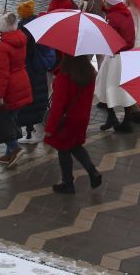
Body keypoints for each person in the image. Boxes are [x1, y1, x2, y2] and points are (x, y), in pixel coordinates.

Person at [44, 53, 103, 194]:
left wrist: (50, 128)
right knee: (75, 145)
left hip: (66, 120)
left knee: (63, 149)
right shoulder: (90, 72)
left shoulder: (64, 76)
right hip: (82, 117)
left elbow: (58, 106)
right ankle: (92, 171)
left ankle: (67, 183)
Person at [0, 11, 30, 167]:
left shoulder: (2, 47)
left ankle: (14, 148)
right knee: (11, 118)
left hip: (9, 88)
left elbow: (1, 74)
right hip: (21, 83)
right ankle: (9, 153)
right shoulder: (20, 40)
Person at [94, 0, 136, 133]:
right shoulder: (127, 13)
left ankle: (114, 117)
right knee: (123, 88)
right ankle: (123, 119)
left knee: (106, 86)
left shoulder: (111, 17)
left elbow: (108, 38)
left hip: (115, 56)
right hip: (127, 55)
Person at [15, 0, 53, 145]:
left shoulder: (23, 30)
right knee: (38, 101)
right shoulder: (40, 25)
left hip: (28, 71)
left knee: (29, 103)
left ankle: (32, 133)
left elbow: (22, 50)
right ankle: (36, 131)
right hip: (41, 70)